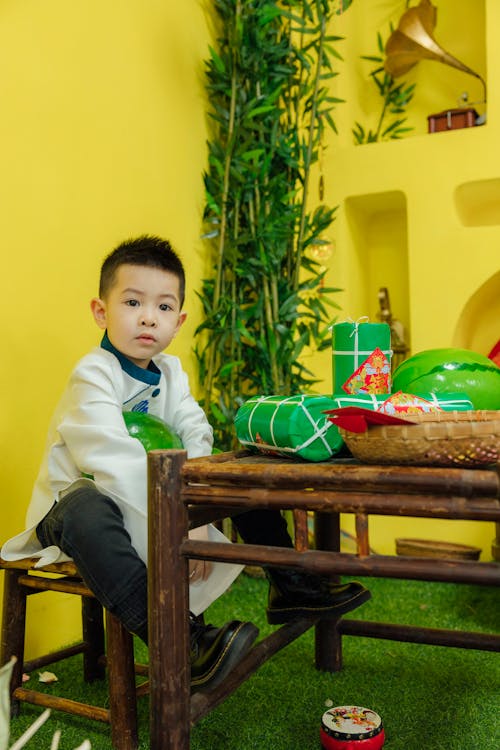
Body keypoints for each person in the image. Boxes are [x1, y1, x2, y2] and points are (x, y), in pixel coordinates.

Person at [1, 235, 370, 691]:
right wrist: (181, 522)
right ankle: (183, 643)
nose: (147, 317)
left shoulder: (172, 373)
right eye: (132, 302)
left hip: (149, 504)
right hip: (73, 511)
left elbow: (196, 437)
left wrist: (198, 509)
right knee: (87, 507)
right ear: (101, 311)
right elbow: (113, 462)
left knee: (231, 471)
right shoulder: (93, 373)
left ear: (179, 321)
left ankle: (289, 583)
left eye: (162, 307)